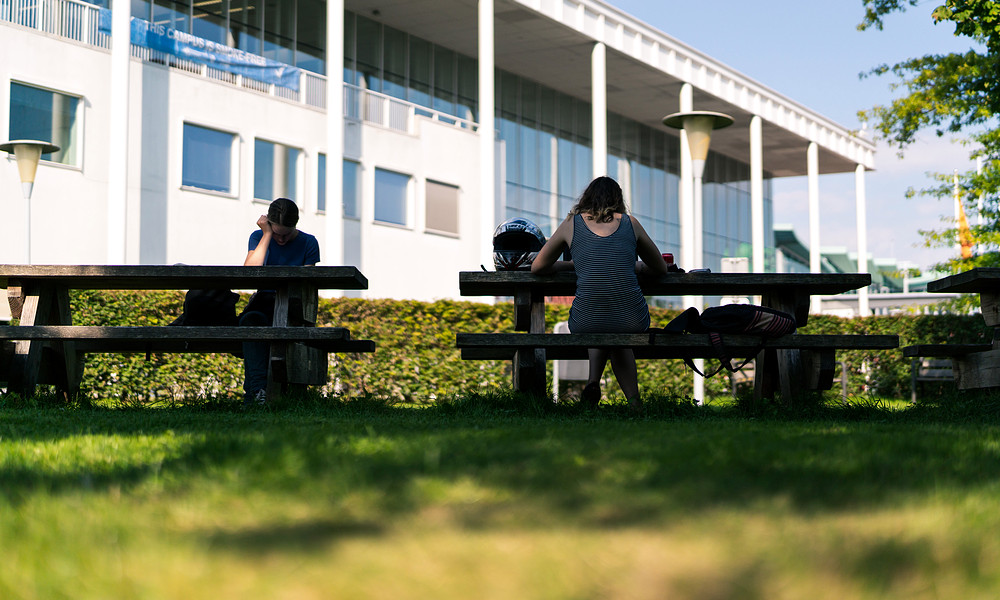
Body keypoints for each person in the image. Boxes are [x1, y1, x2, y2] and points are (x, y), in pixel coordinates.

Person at [531, 176, 669, 410]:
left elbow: (538, 267)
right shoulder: (630, 223)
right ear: (618, 200)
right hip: (631, 319)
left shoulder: (571, 224)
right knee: (617, 329)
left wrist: (576, 263)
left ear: (586, 198)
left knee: (599, 317)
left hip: (586, 320)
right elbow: (660, 268)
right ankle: (634, 403)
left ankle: (593, 381)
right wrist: (633, 265)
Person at [240, 197, 320, 407]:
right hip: (264, 303)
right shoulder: (259, 237)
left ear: (295, 225)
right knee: (250, 321)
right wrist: (266, 235)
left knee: (277, 328)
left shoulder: (308, 242)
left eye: (286, 235)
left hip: (294, 305)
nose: (281, 240)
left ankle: (261, 394)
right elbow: (249, 273)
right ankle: (258, 392)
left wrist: (271, 233)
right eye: (277, 234)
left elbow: (308, 286)